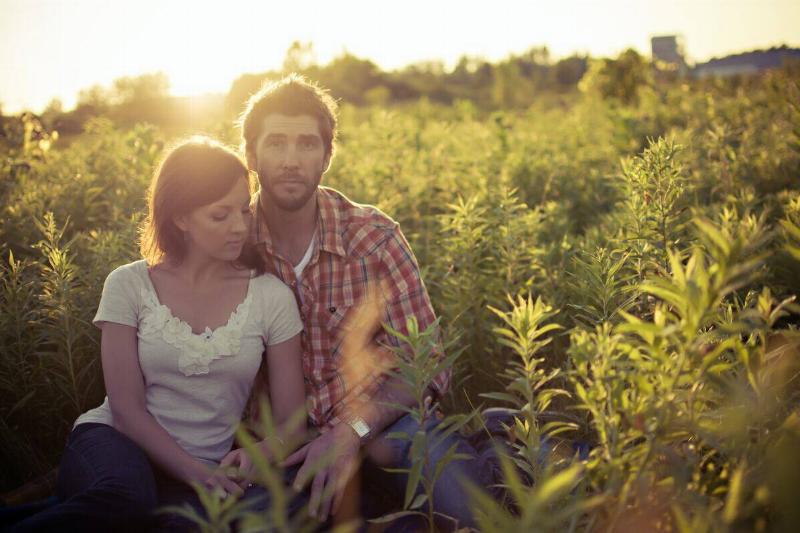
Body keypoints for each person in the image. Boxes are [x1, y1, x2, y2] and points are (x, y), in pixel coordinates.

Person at [11, 137, 307, 533]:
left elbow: (292, 422)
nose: (240, 226)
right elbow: (126, 408)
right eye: (220, 216)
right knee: (126, 499)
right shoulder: (129, 284)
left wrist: (262, 453)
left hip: (206, 468)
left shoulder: (272, 296)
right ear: (180, 218)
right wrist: (195, 475)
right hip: (114, 444)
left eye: (243, 210)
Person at [239, 75, 491, 530]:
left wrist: (349, 433)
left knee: (472, 511)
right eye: (275, 143)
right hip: (285, 445)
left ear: (328, 156)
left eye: (307, 144)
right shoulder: (232, 245)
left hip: (386, 426)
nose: (292, 160)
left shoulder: (373, 238)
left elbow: (427, 361)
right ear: (251, 155)